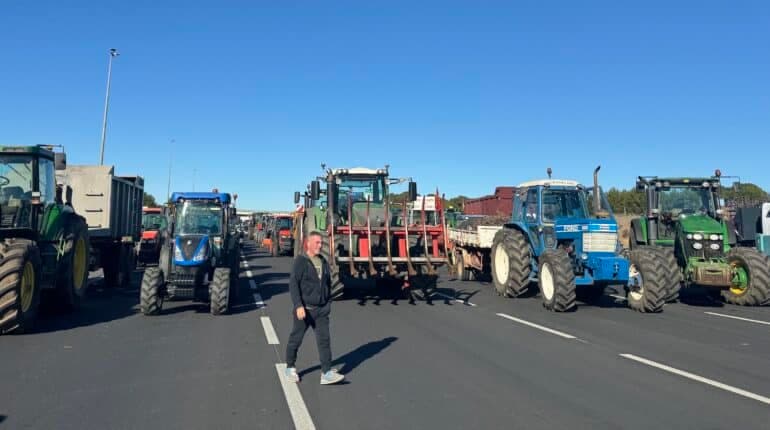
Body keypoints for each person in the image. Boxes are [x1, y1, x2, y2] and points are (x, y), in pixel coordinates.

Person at [285, 231, 345, 385]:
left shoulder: (323, 261)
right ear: (308, 243)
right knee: (296, 339)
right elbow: (293, 284)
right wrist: (298, 305)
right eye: (317, 242)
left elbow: (327, 283)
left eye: (321, 242)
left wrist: (327, 302)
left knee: (324, 340)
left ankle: (326, 372)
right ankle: (290, 367)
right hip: (305, 310)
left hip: (321, 310)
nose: (320, 245)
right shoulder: (301, 261)